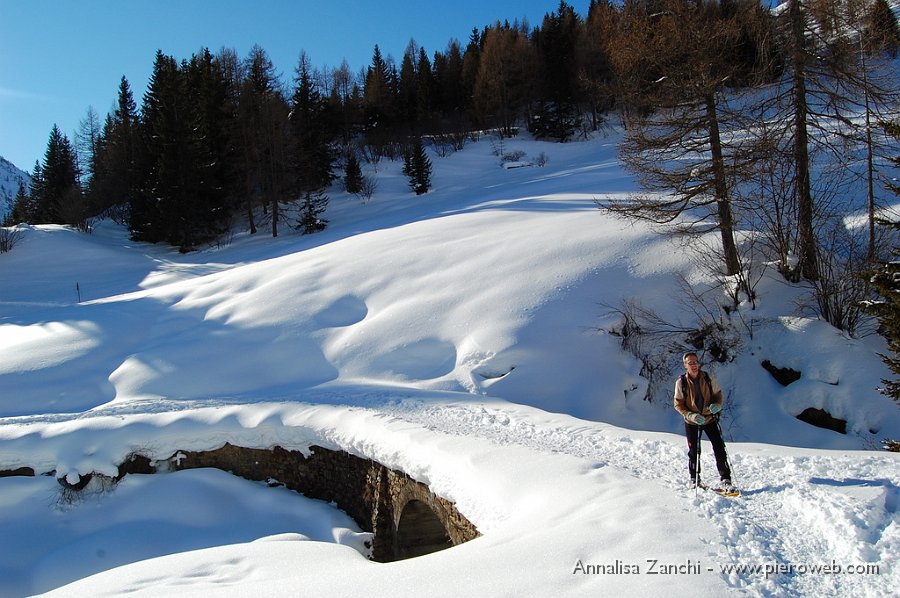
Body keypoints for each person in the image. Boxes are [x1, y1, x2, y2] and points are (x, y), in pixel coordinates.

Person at [673, 352, 734, 491]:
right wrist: (690, 415)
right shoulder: (681, 382)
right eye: (690, 363)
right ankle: (694, 479)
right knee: (694, 450)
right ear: (685, 365)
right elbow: (678, 403)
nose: (694, 365)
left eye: (695, 362)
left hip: (709, 418)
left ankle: (726, 479)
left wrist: (717, 405)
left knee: (719, 447)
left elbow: (718, 394)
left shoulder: (708, 377)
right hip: (692, 421)